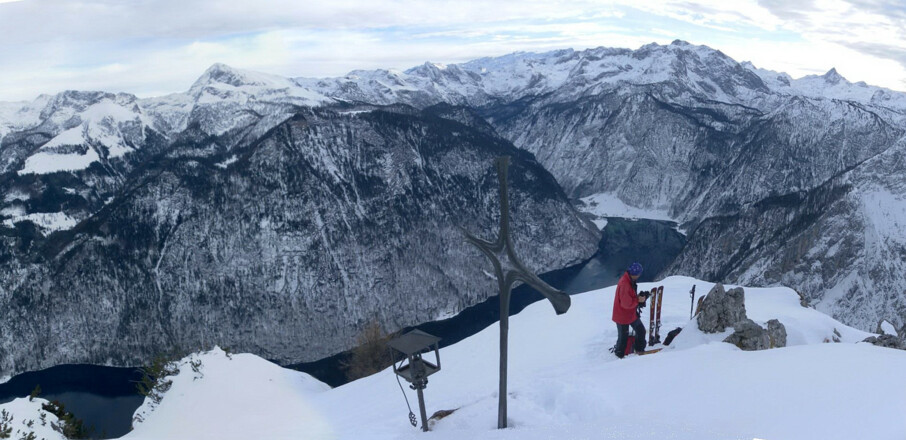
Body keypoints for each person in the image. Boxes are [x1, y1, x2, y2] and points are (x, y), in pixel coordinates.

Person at [612, 262, 647, 358]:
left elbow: (629, 298)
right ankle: (619, 355)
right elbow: (626, 304)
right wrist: (638, 300)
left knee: (641, 331)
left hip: (630, 314)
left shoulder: (629, 280)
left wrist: (639, 297)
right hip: (622, 316)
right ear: (636, 274)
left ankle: (639, 350)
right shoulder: (625, 284)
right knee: (623, 338)